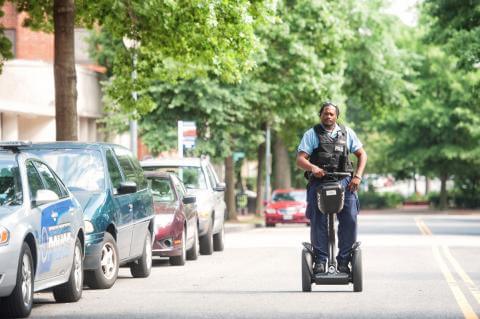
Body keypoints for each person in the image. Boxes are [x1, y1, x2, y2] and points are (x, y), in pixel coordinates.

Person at [296, 101, 367, 274]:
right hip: (319, 182)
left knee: (349, 218)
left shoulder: (347, 133)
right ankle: (320, 261)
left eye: (331, 114)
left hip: (344, 182)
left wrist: (357, 176)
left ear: (336, 116)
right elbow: (300, 159)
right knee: (318, 221)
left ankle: (343, 260)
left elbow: (362, 154)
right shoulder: (311, 134)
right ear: (320, 115)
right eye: (325, 113)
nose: (328, 116)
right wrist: (313, 168)